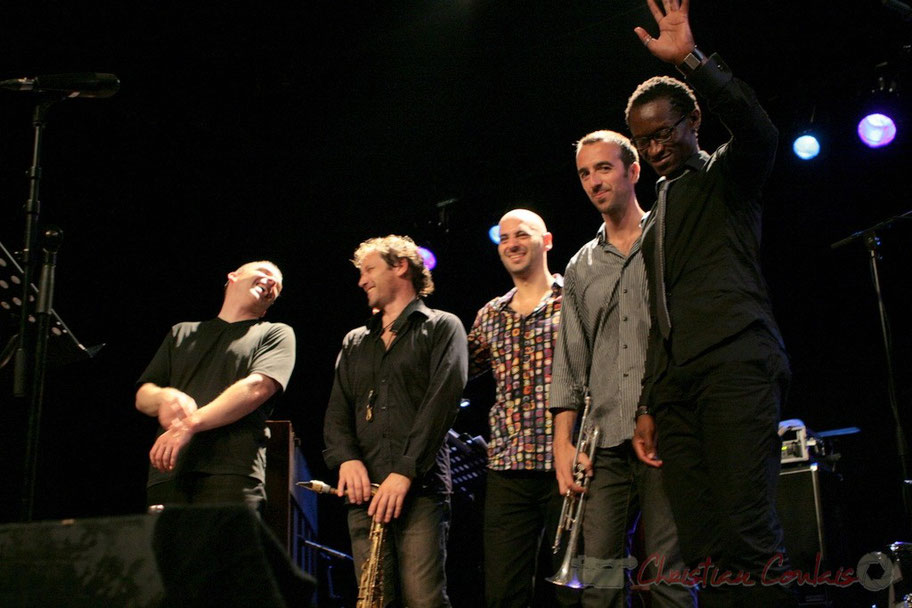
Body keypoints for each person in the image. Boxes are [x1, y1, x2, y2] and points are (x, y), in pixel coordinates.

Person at [627, 1, 793, 605]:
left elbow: (758, 129)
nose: (655, 148)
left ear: (693, 120)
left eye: (664, 132)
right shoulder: (653, 222)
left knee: (747, 535)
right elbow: (656, 316)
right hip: (676, 389)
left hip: (735, 365)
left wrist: (693, 61)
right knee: (701, 550)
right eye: (644, 141)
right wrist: (648, 401)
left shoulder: (727, 177)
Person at [550, 130, 695, 608]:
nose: (594, 181)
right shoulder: (579, 268)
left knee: (669, 579)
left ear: (634, 171)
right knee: (601, 585)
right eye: (584, 173)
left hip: (665, 437)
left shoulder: (669, 238)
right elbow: (569, 363)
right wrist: (562, 444)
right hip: (603, 445)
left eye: (604, 168)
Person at [323, 235, 468, 608]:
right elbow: (338, 411)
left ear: (400, 266)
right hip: (365, 494)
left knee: (424, 600)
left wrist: (405, 470)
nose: (361, 281)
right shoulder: (355, 341)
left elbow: (442, 404)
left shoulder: (442, 326)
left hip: (419, 491)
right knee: (374, 600)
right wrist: (346, 459)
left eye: (369, 270)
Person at [466, 209, 570, 608]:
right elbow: (454, 375)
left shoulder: (574, 299)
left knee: (591, 583)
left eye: (522, 235)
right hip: (508, 468)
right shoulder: (490, 315)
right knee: (502, 593)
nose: (511, 243)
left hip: (569, 464)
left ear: (546, 241)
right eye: (504, 237)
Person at [136, 260, 295, 514]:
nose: (272, 283)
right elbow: (143, 395)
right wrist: (163, 396)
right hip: (170, 469)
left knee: (225, 553)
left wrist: (188, 424)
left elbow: (257, 387)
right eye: (265, 273)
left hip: (233, 470)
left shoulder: (275, 333)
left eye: (277, 287)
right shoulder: (182, 332)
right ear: (233, 276)